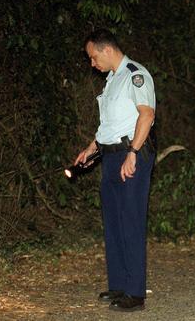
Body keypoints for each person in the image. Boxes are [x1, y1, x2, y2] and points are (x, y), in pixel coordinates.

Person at [73, 29, 156, 312]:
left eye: (93, 57)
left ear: (106, 50)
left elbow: (147, 114)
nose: (92, 63)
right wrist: (89, 150)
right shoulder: (111, 82)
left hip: (131, 154)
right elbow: (108, 127)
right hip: (109, 157)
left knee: (131, 220)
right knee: (114, 222)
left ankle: (135, 293)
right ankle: (119, 284)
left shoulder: (136, 75)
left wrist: (133, 153)